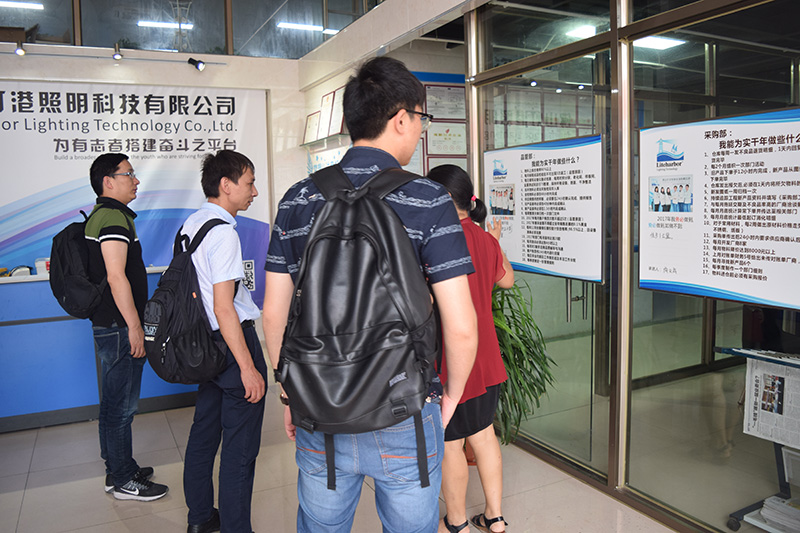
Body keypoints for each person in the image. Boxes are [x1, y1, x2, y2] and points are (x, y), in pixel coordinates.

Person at [262, 56, 479, 533]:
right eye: (421, 118)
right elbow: (462, 326)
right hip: (404, 407)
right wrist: (448, 399)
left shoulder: (298, 199)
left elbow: (274, 314)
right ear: (400, 118)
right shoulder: (428, 200)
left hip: (318, 405)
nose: (420, 130)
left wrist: (289, 390)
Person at [182, 150, 267, 533]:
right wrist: (247, 366)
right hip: (233, 346)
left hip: (204, 346)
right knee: (239, 448)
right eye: (249, 183)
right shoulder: (223, 233)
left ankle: (200, 518)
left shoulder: (191, 225)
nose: (254, 191)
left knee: (203, 434)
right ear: (226, 185)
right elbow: (224, 306)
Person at [427, 165, 515, 533]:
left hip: (453, 360)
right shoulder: (483, 238)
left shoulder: (439, 241)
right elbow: (507, 281)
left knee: (451, 443)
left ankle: (457, 521)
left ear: (445, 198)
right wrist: (495, 242)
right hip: (487, 359)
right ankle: (495, 517)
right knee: (484, 435)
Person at [86, 153, 168, 502]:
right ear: (108, 181)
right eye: (129, 174)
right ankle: (123, 480)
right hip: (120, 326)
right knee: (122, 407)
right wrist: (135, 326)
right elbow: (116, 276)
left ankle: (118, 468)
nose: (136, 180)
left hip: (110, 324)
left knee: (113, 403)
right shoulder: (113, 218)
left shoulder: (103, 215)